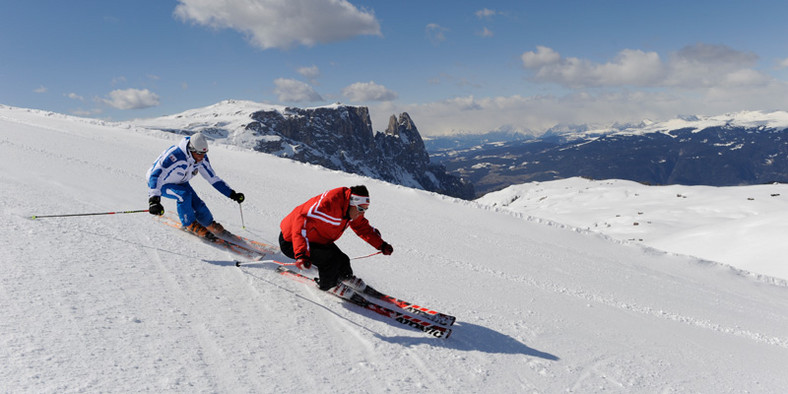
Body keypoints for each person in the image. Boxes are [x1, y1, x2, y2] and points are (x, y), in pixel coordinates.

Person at [279, 185, 394, 291]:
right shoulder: (327, 205)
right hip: (292, 242)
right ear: (352, 203)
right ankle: (328, 286)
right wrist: (301, 254)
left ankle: (346, 278)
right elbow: (300, 223)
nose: (362, 213)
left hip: (317, 239)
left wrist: (381, 245)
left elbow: (362, 227)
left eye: (365, 209)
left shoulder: (352, 211)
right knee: (330, 261)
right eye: (360, 209)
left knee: (343, 260)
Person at [146, 132, 245, 238]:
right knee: (184, 195)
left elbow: (213, 179)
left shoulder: (201, 158)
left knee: (198, 205)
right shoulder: (174, 156)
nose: (201, 157)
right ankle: (189, 224)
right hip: (161, 184)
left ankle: (209, 224)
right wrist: (154, 201)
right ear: (191, 149)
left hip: (181, 182)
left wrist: (232, 194)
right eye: (198, 153)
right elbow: (155, 176)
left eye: (204, 153)